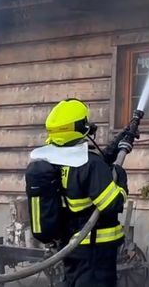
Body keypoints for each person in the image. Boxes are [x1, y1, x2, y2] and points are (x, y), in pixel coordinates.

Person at [25, 99, 129, 287]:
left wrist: (117, 144)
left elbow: (88, 170)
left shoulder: (53, 160)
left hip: (71, 247)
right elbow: (113, 203)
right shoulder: (91, 165)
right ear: (81, 127)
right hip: (96, 252)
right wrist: (120, 176)